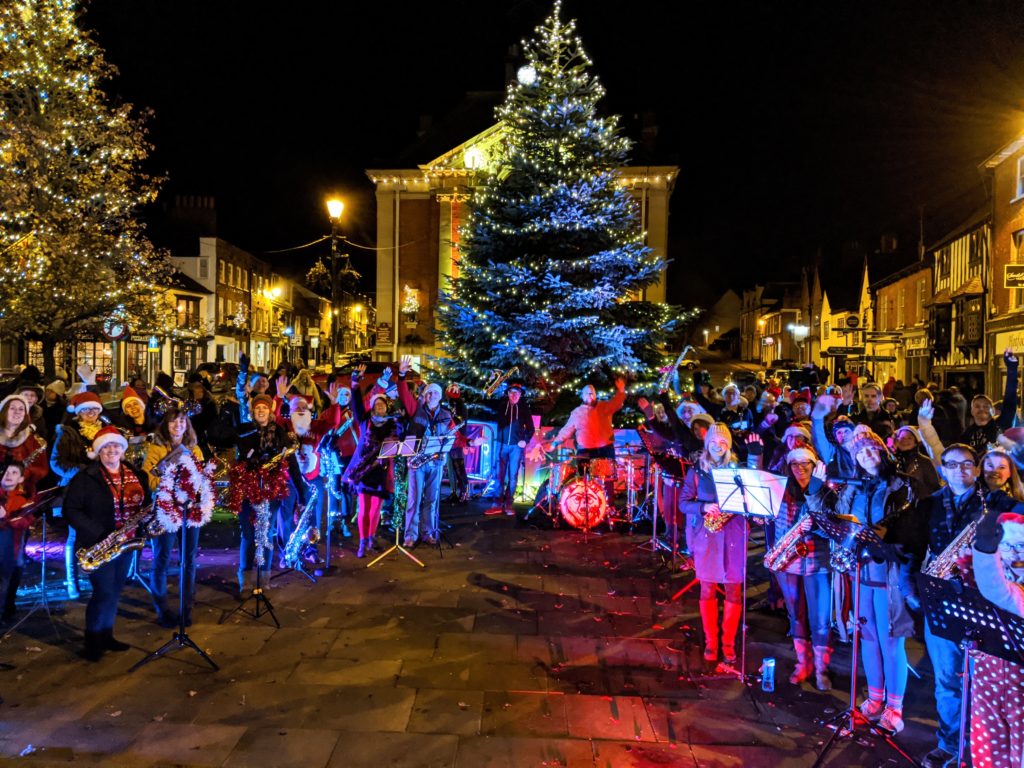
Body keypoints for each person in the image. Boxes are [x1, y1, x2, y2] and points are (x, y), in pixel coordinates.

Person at [915, 444, 1024, 768]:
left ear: (976, 470)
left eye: (968, 465)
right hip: (943, 600)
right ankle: (950, 746)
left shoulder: (993, 505)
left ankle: (981, 750)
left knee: (985, 685)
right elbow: (912, 545)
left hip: (987, 604)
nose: (961, 471)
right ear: (942, 469)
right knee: (947, 680)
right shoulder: (929, 504)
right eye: (952, 465)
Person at [805, 429, 920, 734]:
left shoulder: (901, 485)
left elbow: (908, 530)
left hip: (889, 573)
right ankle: (874, 699)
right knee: (867, 637)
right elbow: (830, 516)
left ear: (883, 451)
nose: (867, 456)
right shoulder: (855, 487)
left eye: (872, 450)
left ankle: (895, 708)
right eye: (861, 452)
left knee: (890, 640)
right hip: (860, 572)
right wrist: (815, 488)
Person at [62, 426, 152, 661]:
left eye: (116, 446)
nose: (112, 450)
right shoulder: (86, 477)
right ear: (98, 451)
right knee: (103, 593)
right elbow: (71, 510)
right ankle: (92, 642)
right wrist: (101, 533)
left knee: (115, 591)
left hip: (126, 543)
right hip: (99, 544)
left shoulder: (135, 473)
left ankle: (107, 635)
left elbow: (146, 502)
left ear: (123, 450)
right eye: (106, 446)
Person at [679, 424, 759, 672]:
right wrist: (703, 507)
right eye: (714, 441)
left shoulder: (738, 470)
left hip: (734, 536)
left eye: (723, 442)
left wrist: (756, 455)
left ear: (728, 445)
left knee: (734, 591)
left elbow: (754, 491)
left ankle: (728, 644)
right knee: (707, 589)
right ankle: (711, 641)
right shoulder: (696, 471)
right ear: (707, 444)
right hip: (708, 536)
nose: (718, 445)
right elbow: (683, 503)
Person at [766, 446, 833, 690]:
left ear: (815, 466)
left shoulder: (825, 490)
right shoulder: (782, 491)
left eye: (806, 464)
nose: (800, 469)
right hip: (789, 561)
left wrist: (816, 489)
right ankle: (802, 663)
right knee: (796, 614)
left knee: (821, 618)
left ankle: (821, 668)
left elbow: (827, 525)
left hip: (818, 562)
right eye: (795, 464)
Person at [968, 509, 1024, 768]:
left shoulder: (1014, 593)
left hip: (1018, 688)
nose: (1014, 556)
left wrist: (984, 550)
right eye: (1007, 547)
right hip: (988, 679)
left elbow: (997, 590)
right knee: (988, 748)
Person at [141, 407, 207, 628]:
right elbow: (150, 480)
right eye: (173, 422)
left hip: (190, 511)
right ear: (166, 425)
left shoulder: (194, 449)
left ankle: (186, 607)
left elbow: (201, 479)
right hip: (166, 510)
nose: (178, 425)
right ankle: (162, 608)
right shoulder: (156, 449)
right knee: (161, 559)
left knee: (189, 560)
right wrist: (171, 482)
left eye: (182, 421)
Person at [227, 393, 294, 595]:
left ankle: (264, 578)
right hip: (248, 488)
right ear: (253, 412)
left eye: (264, 408)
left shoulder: (279, 432)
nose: (261, 411)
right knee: (248, 535)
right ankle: (246, 579)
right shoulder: (246, 430)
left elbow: (289, 457)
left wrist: (300, 488)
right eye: (257, 408)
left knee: (266, 534)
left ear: (270, 411)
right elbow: (235, 442)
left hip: (270, 489)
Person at [397, 356, 457, 547]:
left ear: (440, 397)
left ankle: (428, 533)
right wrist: (401, 375)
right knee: (414, 500)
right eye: (429, 393)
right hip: (417, 462)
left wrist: (471, 441)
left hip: (436, 463)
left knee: (432, 500)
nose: (432, 396)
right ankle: (410, 535)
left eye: (436, 394)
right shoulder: (415, 408)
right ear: (425, 395)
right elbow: (404, 394)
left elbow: (455, 436)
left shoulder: (446, 415)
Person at [50, 391, 105, 599]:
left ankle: (96, 577)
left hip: (100, 491)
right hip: (76, 490)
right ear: (78, 412)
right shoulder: (67, 433)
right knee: (75, 537)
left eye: (94, 409)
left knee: (100, 534)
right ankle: (72, 581)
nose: (90, 413)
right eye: (85, 409)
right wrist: (83, 471)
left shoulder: (105, 432)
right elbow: (56, 463)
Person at [343, 365, 402, 557]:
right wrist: (355, 383)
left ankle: (371, 537)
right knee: (364, 509)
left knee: (376, 509)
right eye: (377, 404)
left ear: (386, 407)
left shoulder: (393, 424)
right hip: (363, 471)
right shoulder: (365, 421)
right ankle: (362, 541)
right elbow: (357, 405)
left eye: (382, 405)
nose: (380, 406)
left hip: (381, 471)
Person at [545, 378, 626, 503]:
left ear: (596, 394)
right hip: (585, 451)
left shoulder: (604, 406)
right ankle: (585, 505)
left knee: (608, 481)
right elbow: (567, 430)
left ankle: (609, 506)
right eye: (587, 392)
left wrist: (621, 391)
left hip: (605, 450)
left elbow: (616, 403)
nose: (590, 395)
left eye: (592, 392)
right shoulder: (577, 413)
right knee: (583, 481)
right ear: (582, 396)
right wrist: (555, 443)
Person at [487, 382, 535, 516]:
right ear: (507, 394)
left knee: (513, 476)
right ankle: (497, 502)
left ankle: (508, 503)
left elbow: (530, 428)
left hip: (516, 447)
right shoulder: (502, 406)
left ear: (520, 395)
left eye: (517, 393)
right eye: (511, 392)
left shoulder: (524, 408)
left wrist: (525, 441)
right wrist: (492, 382)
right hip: (501, 444)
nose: (514, 395)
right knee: (499, 475)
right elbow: (488, 399)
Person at [0, 459, 33, 623]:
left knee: (8, 579)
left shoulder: (22, 499)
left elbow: (25, 521)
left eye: (14, 473)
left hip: (12, 547)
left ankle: (7, 609)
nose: (8, 475)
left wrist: (5, 516)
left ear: (21, 479)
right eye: (6, 471)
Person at [0, 394, 49, 498]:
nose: (17, 412)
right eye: (12, 408)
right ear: (3, 411)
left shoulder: (34, 441)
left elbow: (42, 469)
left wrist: (22, 473)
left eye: (21, 409)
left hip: (22, 493)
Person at [891, 425, 941, 498]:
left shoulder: (924, 461)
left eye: (909, 438)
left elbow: (934, 487)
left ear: (915, 442)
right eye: (902, 437)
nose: (905, 440)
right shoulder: (890, 459)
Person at [443, 383, 471, 505]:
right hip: (449, 439)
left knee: (459, 467)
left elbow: (461, 424)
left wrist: (460, 439)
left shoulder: (459, 407)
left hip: (457, 440)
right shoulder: (449, 406)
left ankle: (464, 492)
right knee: (451, 467)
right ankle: (454, 492)